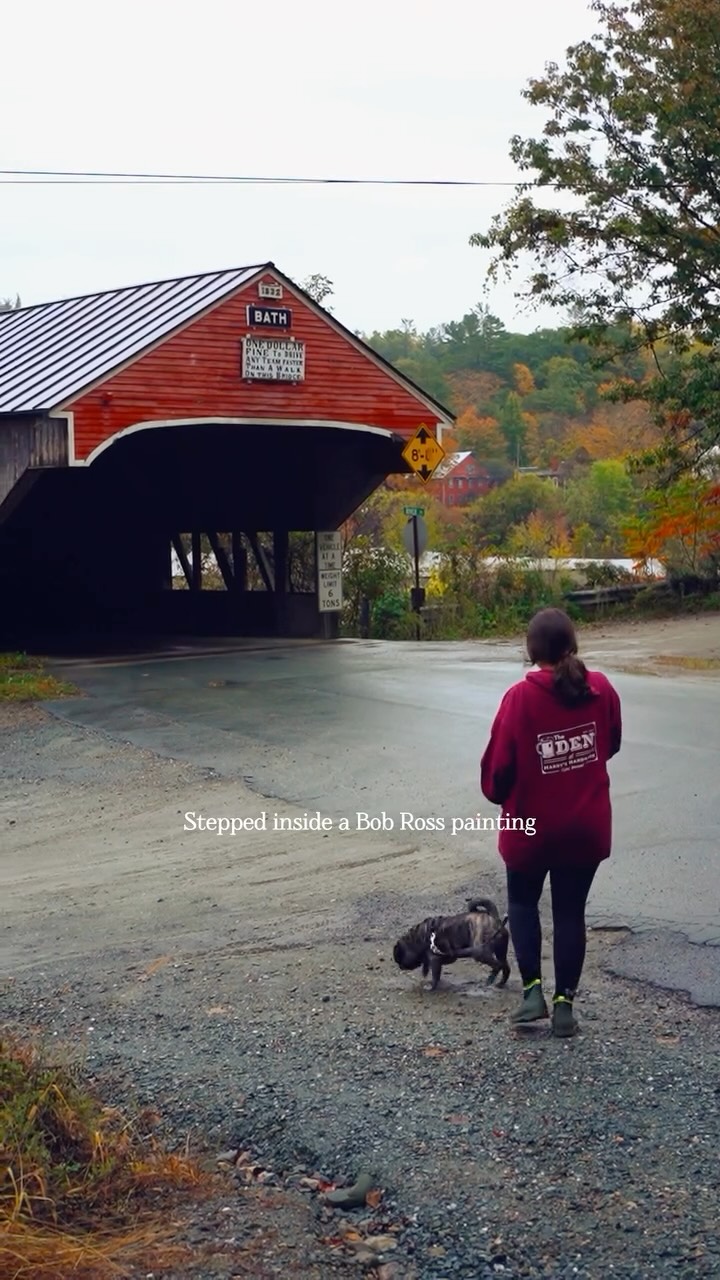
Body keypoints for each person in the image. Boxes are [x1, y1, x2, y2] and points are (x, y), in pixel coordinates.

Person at [480, 607, 622, 1037]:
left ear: (531, 651)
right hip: (585, 827)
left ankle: (532, 995)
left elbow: (495, 778)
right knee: (569, 911)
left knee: (523, 904)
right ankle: (565, 1007)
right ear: (572, 645)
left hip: (531, 830)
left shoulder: (519, 699)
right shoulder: (601, 689)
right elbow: (609, 744)